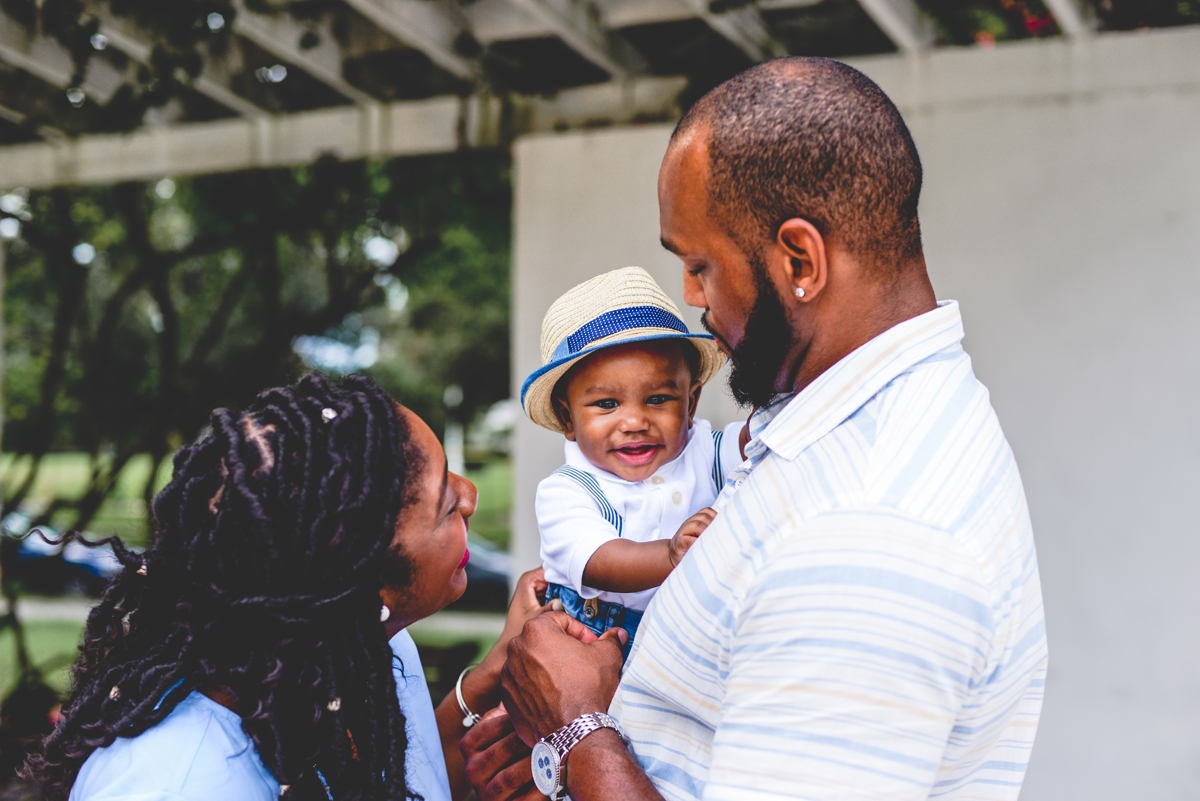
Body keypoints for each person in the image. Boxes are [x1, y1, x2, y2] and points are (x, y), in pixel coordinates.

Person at [462, 56, 1048, 801]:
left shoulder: (866, 528)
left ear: (800, 258)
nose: (691, 298)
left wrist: (576, 724)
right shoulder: (846, 430)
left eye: (701, 266)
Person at [22, 372, 550, 801]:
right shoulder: (174, 785)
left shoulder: (369, 654)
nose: (471, 495)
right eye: (444, 507)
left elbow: (397, 781)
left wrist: (485, 679)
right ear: (360, 588)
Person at [519, 266, 744, 653]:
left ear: (690, 403)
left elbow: (766, 433)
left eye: (658, 399)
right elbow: (599, 562)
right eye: (607, 404)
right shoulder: (566, 491)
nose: (635, 422)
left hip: (691, 640)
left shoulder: (703, 450)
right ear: (567, 419)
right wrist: (669, 553)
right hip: (600, 642)